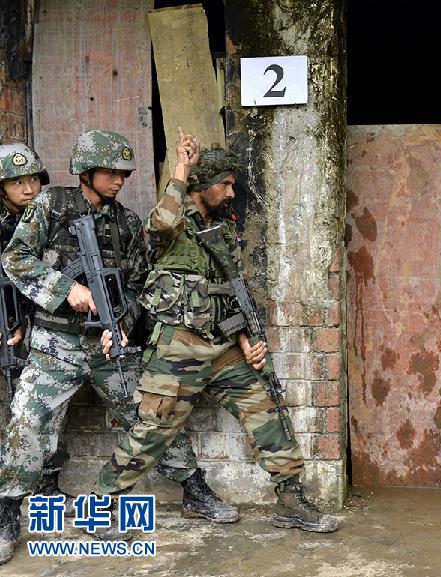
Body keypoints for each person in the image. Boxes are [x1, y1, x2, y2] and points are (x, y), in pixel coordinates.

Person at [0, 131, 236, 565]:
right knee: (27, 422)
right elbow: (15, 258)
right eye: (110, 172)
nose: (119, 181)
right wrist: (66, 288)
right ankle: (7, 512)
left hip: (108, 347)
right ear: (86, 172)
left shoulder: (126, 223)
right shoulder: (51, 205)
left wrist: (122, 324)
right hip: (56, 343)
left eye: (124, 174)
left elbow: (137, 283)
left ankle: (193, 488)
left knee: (153, 414)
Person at [93, 128, 339, 534]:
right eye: (223, 184)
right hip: (178, 346)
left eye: (231, 185)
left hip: (224, 347)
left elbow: (232, 291)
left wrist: (246, 338)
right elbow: (159, 224)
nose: (230, 193)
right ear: (201, 185)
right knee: (153, 429)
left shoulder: (224, 231)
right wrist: (182, 168)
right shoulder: (173, 225)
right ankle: (101, 504)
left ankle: (291, 499)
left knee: (269, 409)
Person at [0, 142, 71, 506]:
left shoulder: (48, 217)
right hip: (7, 323)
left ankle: (47, 481)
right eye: (17, 182)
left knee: (46, 407)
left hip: (40, 322)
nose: (28, 189)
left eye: (34, 180)